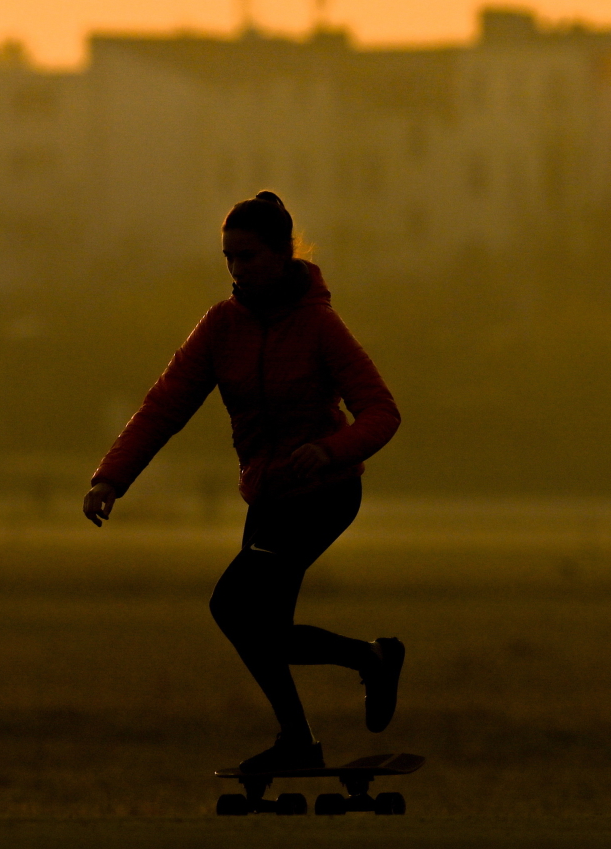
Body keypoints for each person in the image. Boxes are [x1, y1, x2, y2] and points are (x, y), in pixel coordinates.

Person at [83, 191, 405, 773]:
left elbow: (382, 412)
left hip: (324, 493)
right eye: (228, 257)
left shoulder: (319, 326)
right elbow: (164, 407)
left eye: (248, 257)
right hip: (269, 497)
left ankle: (358, 673)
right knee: (262, 628)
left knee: (233, 607)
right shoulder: (221, 326)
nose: (236, 269)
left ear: (283, 255)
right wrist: (111, 478)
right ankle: (314, 725)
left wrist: (328, 450)